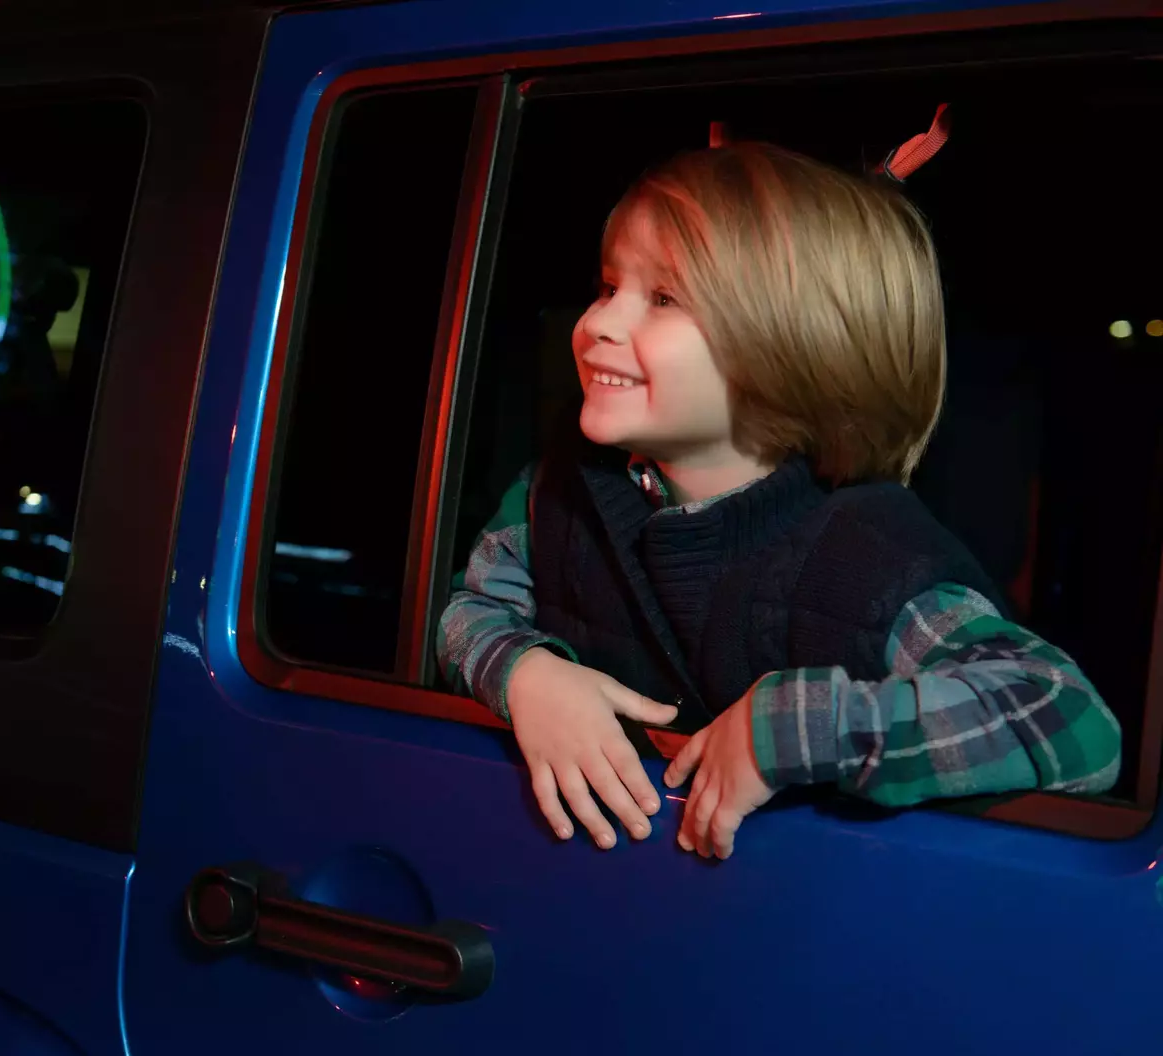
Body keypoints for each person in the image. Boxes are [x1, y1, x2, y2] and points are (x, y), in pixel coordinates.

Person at [437, 140, 1121, 861]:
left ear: (796, 345)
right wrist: (526, 673)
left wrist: (798, 731)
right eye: (610, 287)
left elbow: (1072, 722)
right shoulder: (558, 493)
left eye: (663, 298)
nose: (599, 322)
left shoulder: (869, 555)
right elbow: (469, 610)